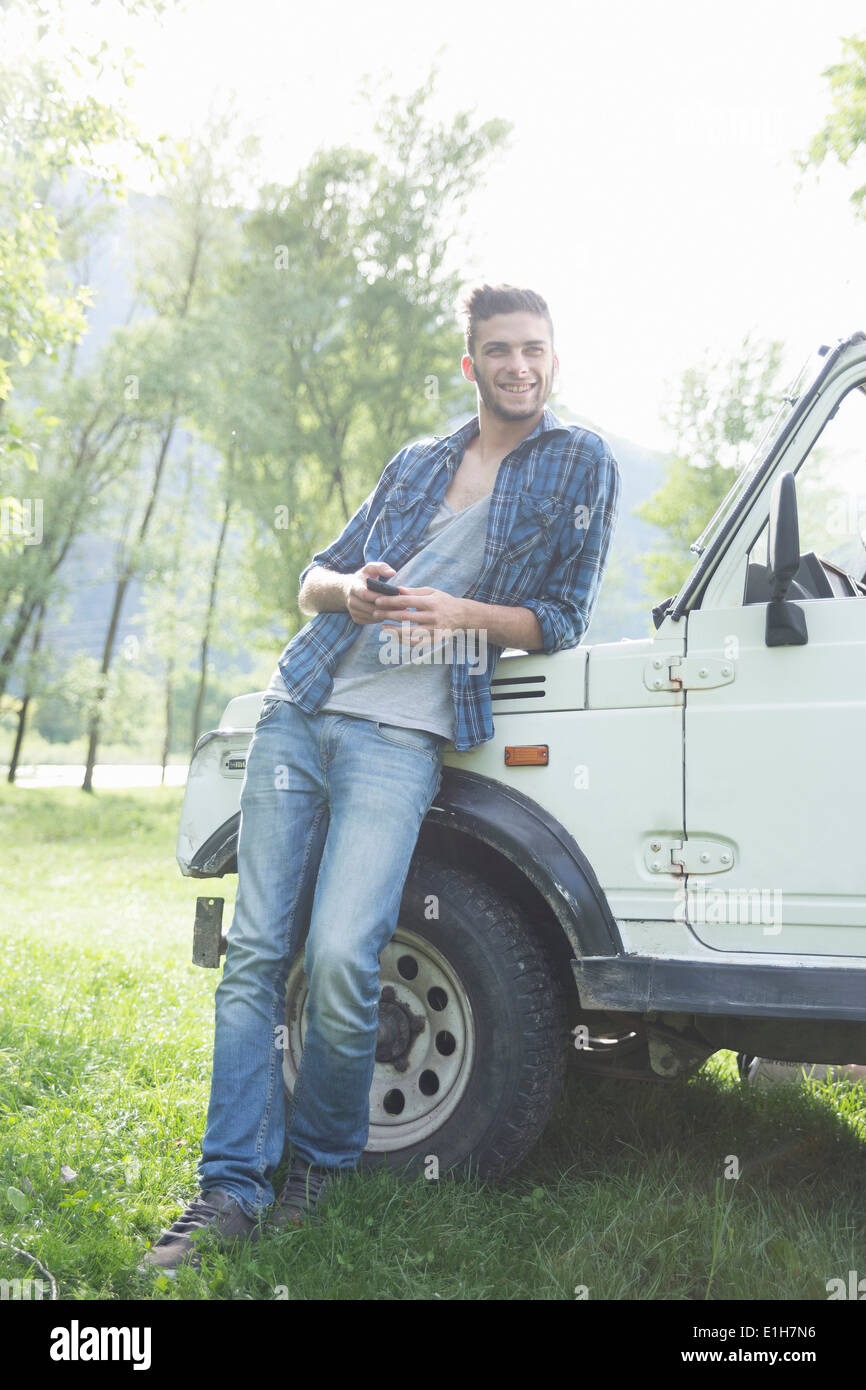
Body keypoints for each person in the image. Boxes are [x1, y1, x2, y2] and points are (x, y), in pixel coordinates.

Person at [142, 283, 622, 1270]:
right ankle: (227, 1191)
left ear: (553, 358)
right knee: (254, 956)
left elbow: (560, 616)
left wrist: (463, 617)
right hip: (300, 708)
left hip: (399, 739)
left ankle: (318, 1165)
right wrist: (350, 593)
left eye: (533, 349)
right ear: (471, 364)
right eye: (498, 350)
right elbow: (311, 578)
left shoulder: (580, 463)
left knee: (341, 956)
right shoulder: (417, 462)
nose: (518, 366)